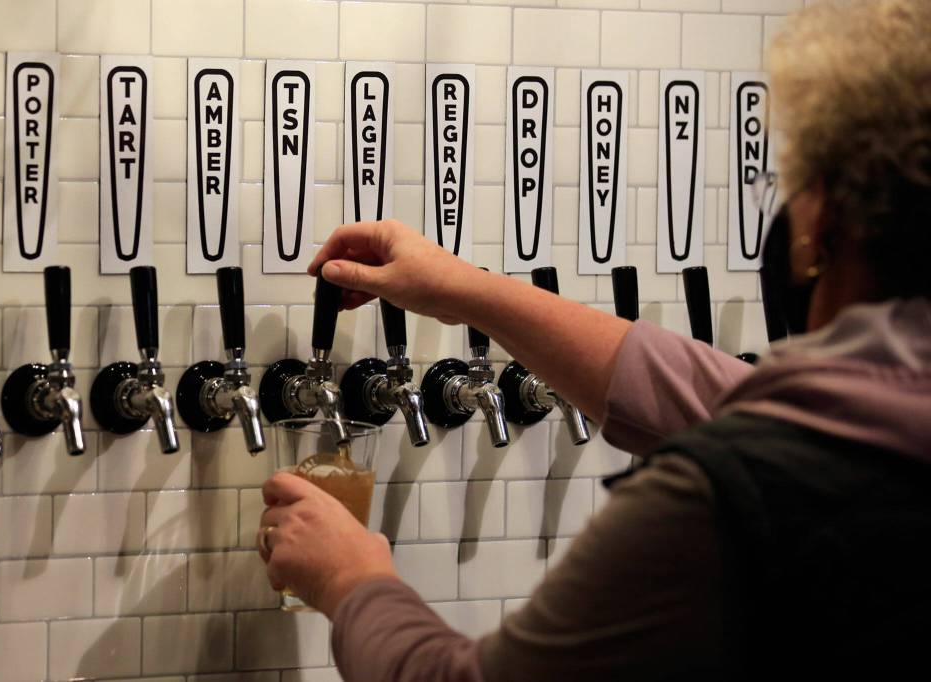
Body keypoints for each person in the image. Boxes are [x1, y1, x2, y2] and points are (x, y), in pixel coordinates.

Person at [257, 0, 931, 679]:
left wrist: (352, 580)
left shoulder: (721, 499)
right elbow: (707, 393)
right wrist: (463, 289)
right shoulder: (875, 428)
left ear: (820, 224)